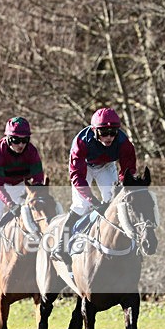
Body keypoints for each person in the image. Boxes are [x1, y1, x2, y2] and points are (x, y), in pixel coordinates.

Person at [51, 107, 137, 265]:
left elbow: (129, 169)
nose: (109, 137)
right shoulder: (81, 142)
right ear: (94, 131)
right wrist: (93, 201)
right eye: (104, 133)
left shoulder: (124, 142)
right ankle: (61, 245)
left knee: (114, 201)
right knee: (81, 205)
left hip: (106, 165)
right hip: (85, 167)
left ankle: (125, 243)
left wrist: (123, 183)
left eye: (113, 132)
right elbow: (77, 176)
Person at [0, 116, 45, 270]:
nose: (20, 145)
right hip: (0, 185)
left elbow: (38, 177)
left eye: (24, 140)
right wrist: (11, 204)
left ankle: (40, 251)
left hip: (19, 183)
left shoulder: (32, 151)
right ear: (7, 138)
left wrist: (37, 192)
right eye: (15, 140)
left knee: (32, 214)